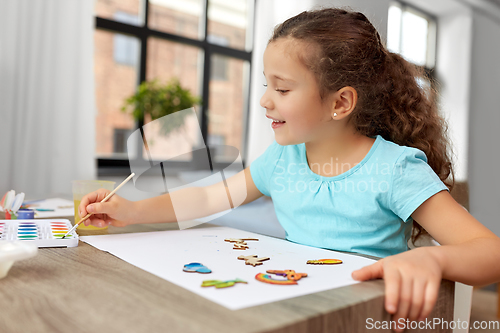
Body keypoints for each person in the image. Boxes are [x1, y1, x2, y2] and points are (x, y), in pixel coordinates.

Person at [79, 8, 500, 332]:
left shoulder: (393, 168)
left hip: (363, 316)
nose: (265, 100)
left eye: (282, 88)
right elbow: (209, 197)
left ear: (340, 103)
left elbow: (490, 253)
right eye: (267, 84)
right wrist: (130, 210)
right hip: (295, 306)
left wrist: (433, 262)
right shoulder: (283, 160)